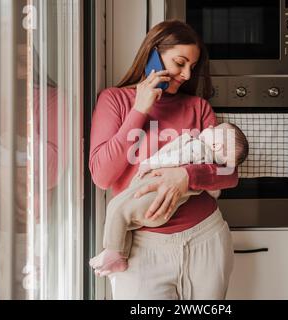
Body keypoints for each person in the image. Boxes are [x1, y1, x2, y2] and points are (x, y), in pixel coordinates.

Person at [89, 19, 241, 300]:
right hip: (139, 248)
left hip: (205, 237)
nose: (185, 75)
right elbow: (102, 176)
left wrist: (186, 178)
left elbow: (230, 173)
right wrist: (139, 110)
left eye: (192, 68)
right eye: (179, 62)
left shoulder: (198, 107)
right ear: (152, 55)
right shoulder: (115, 101)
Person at [89, 122, 249, 276]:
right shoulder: (207, 163)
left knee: (116, 207)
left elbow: (176, 158)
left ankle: (113, 251)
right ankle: (120, 257)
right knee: (128, 223)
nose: (210, 127)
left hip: (155, 197)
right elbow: (215, 189)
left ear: (216, 146)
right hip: (160, 211)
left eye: (214, 130)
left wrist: (151, 164)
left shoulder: (198, 148)